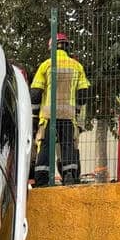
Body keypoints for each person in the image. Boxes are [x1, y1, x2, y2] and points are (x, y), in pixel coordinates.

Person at [30, 33, 90, 187]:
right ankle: (69, 175)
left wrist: (34, 117)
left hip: (48, 115)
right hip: (68, 115)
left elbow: (35, 93)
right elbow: (83, 94)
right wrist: (76, 111)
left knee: (45, 145)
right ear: (67, 47)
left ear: (51, 49)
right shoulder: (77, 66)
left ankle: (42, 180)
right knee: (68, 145)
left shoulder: (46, 65)